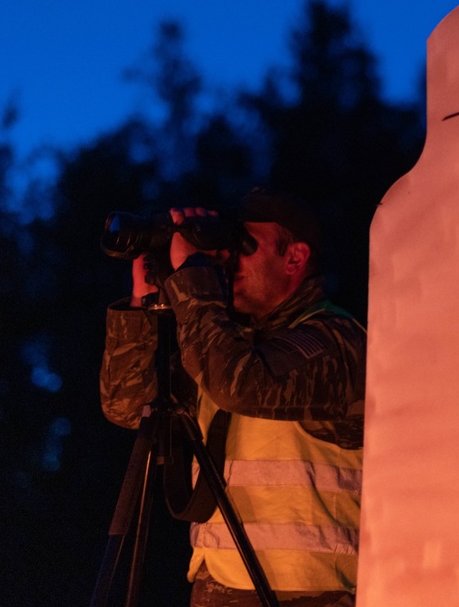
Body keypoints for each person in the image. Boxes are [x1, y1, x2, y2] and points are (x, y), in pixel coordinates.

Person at [100, 188, 366, 606]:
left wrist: (193, 277)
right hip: (219, 587)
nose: (227, 260)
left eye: (243, 246)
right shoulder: (219, 341)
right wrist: (144, 302)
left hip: (311, 594)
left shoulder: (337, 339)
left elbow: (243, 384)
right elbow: (128, 406)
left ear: (294, 258)